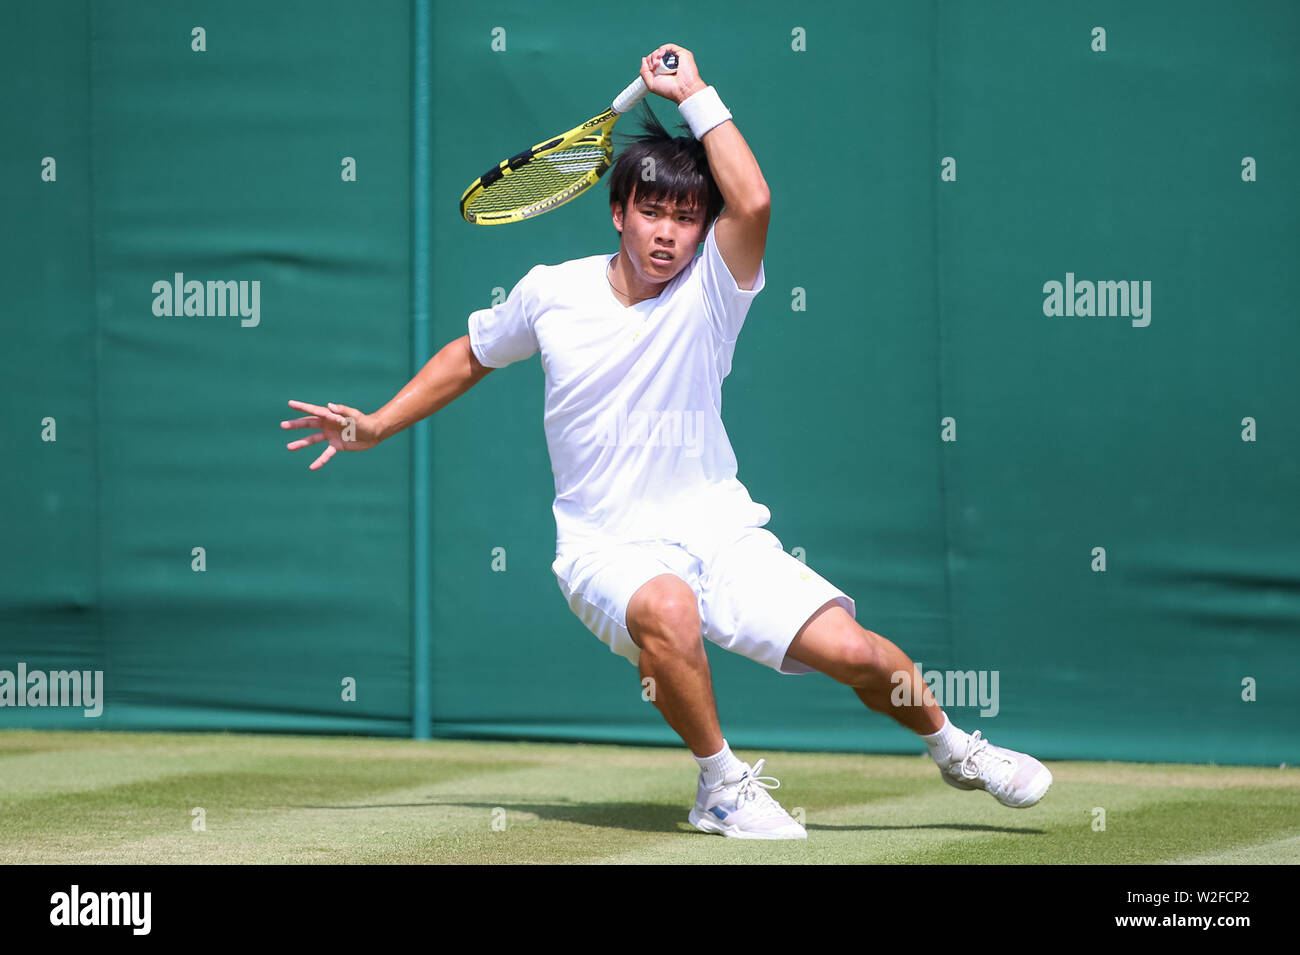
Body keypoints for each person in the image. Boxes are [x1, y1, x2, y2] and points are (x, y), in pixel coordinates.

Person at [281, 44, 1052, 840]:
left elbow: (750, 201)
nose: (668, 234)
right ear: (618, 211)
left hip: (718, 530)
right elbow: (470, 353)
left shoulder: (712, 293)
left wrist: (696, 95)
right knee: (668, 606)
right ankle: (720, 784)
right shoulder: (551, 292)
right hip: (605, 548)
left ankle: (958, 751)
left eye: (687, 219)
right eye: (653, 211)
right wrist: (375, 422)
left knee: (855, 650)